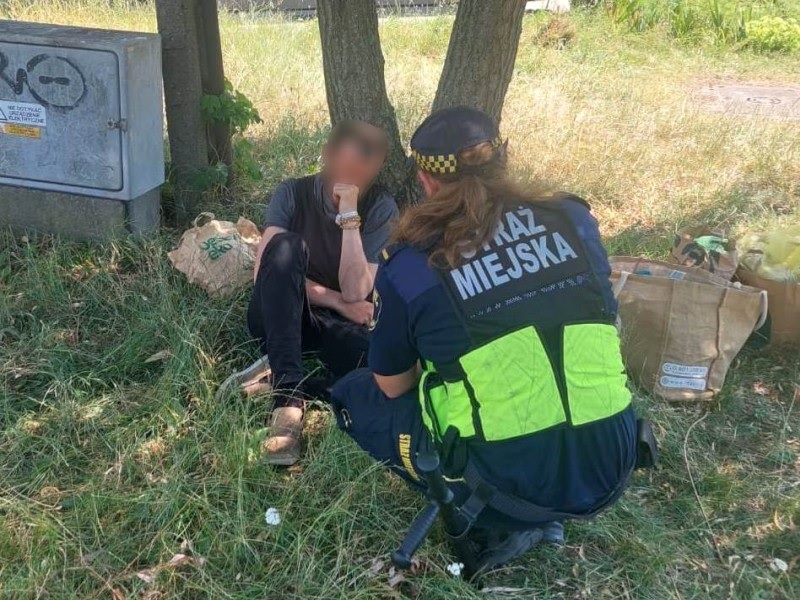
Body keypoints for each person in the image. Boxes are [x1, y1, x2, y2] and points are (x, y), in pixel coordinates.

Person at [331, 107, 645, 572]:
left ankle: (499, 519)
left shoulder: (411, 265)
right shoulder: (574, 219)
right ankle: (545, 503)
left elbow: (393, 386)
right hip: (612, 462)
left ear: (426, 180)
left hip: (500, 487)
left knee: (352, 396)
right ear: (503, 159)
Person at [248, 120, 398, 466]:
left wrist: (349, 216)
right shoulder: (292, 192)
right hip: (277, 316)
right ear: (327, 155)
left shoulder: (380, 208)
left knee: (380, 362)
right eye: (345, 167)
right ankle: (287, 403)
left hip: (326, 327)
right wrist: (337, 302)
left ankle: (282, 379)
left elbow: (357, 288)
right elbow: (266, 276)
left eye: (363, 171)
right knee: (286, 247)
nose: (351, 178)